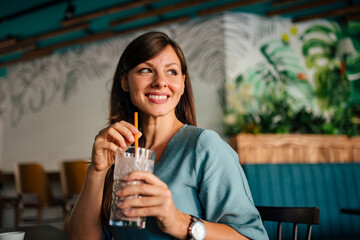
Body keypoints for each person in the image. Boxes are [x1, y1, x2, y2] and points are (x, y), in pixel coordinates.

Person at [68, 31, 268, 240]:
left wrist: (180, 222)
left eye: (171, 72)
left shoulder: (204, 146)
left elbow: (253, 237)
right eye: (146, 70)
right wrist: (97, 171)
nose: (160, 82)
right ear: (125, 82)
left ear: (182, 84)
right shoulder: (119, 150)